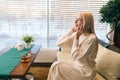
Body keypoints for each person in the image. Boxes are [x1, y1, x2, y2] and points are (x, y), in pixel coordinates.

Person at [47, 10, 98, 80]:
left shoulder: (91, 38)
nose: (75, 22)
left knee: (57, 66)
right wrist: (71, 31)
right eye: (75, 19)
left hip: (85, 72)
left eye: (78, 19)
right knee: (55, 66)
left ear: (85, 22)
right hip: (76, 66)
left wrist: (77, 38)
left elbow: (76, 57)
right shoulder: (80, 34)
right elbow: (59, 43)